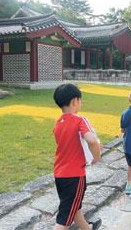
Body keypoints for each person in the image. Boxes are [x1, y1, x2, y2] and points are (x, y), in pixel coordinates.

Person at [52, 84, 102, 230]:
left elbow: (71, 144)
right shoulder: (80, 120)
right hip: (74, 175)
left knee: (73, 205)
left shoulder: (58, 124)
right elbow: (91, 140)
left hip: (60, 174)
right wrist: (96, 157)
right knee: (64, 218)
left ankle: (88, 228)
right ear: (75, 101)